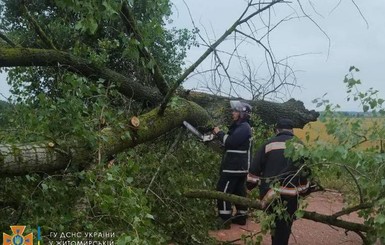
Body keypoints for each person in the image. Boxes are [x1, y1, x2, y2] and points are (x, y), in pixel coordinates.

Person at [247, 118, 310, 245]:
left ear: (277, 130)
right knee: (284, 226)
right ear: (292, 131)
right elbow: (307, 172)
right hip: (291, 194)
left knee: (274, 223)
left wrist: (250, 185)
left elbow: (254, 168)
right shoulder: (301, 145)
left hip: (269, 194)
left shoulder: (268, 144)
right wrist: (303, 191)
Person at [213, 100, 253, 229]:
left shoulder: (243, 127)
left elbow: (230, 142)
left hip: (234, 167)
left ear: (242, 114)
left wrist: (219, 133)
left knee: (223, 190)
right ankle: (241, 217)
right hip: (238, 167)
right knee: (238, 191)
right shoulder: (241, 127)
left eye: (235, 111)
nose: (233, 113)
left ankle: (224, 219)